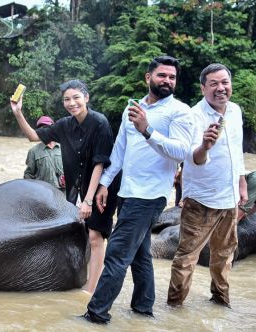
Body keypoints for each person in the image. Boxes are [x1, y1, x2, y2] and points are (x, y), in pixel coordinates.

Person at [83, 55, 194, 324]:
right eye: (162, 75)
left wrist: (147, 130)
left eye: (172, 77)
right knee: (140, 255)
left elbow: (182, 151)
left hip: (150, 196)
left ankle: (96, 315)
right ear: (148, 78)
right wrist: (105, 184)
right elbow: (120, 150)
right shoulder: (132, 107)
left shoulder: (179, 111)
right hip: (128, 192)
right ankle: (143, 309)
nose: (167, 80)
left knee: (117, 253)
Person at [11, 79, 115, 295]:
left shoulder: (100, 123)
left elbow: (99, 163)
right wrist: (18, 112)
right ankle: (77, 277)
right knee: (79, 232)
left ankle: (91, 290)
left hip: (100, 188)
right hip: (75, 189)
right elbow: (33, 136)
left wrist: (88, 199)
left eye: (76, 97)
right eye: (67, 99)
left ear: (86, 98)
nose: (72, 103)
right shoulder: (64, 125)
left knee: (95, 236)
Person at [167, 63, 247, 309]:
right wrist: (205, 146)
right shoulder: (193, 116)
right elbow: (193, 159)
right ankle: (175, 307)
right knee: (186, 258)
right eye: (214, 84)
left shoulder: (235, 111)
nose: (220, 88)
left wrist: (242, 183)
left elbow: (237, 151)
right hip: (201, 200)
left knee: (224, 256)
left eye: (225, 82)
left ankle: (221, 301)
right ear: (203, 88)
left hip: (230, 198)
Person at [23, 115, 64, 190]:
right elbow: (28, 175)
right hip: (43, 193)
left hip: (63, 194)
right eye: (41, 128)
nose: (45, 130)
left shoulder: (64, 148)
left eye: (47, 127)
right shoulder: (33, 151)